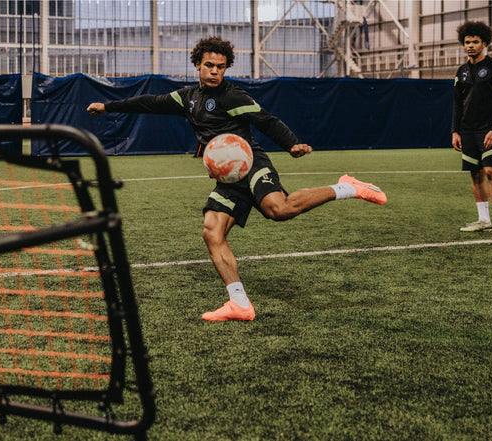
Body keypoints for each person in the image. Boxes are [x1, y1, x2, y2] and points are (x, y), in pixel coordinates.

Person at [86, 36, 388, 322]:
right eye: (209, 65)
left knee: (278, 210)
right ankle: (239, 303)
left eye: (221, 66)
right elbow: (149, 102)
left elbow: (265, 119)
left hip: (252, 165)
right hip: (227, 178)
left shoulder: (233, 96)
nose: (215, 71)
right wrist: (109, 106)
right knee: (212, 232)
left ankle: (348, 187)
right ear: (198, 65)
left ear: (226, 68)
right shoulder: (187, 98)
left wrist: (291, 144)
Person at [452, 21, 492, 237]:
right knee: (475, 175)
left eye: (475, 42)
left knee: (491, 172)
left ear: (484, 43)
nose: (470, 46)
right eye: (467, 42)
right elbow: (457, 104)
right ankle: (484, 219)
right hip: (467, 132)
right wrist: (455, 131)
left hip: (489, 130)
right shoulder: (461, 71)